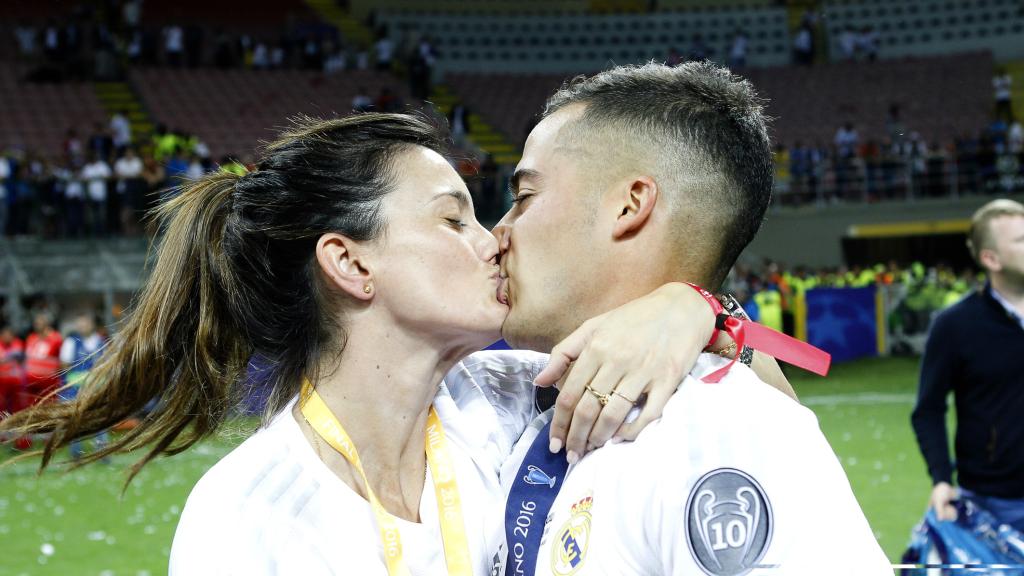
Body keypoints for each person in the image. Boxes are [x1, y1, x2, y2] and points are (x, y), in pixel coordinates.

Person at [0, 113, 769, 574]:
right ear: (351, 263)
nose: (493, 240)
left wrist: (692, 307)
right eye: (452, 218)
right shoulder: (249, 515)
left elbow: (768, 411)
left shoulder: (516, 403)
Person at [490, 62, 890, 574]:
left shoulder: (719, 430)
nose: (497, 232)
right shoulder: (521, 407)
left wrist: (708, 314)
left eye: (524, 197)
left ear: (629, 205)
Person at [912, 199, 1024, 532]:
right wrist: (942, 478)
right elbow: (928, 410)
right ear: (991, 258)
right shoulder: (956, 324)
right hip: (994, 503)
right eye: (1020, 240)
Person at [58, 312, 109, 460]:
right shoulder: (71, 342)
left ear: (91, 324)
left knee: (100, 420)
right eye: (79, 324)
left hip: (96, 389)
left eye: (85, 323)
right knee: (74, 422)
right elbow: (65, 365)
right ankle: (76, 455)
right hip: (74, 390)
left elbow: (106, 364)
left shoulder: (100, 342)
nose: (82, 326)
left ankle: (102, 452)